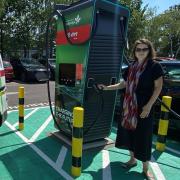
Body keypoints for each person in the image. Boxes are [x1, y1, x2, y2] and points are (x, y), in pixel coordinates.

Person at [98, 39, 163, 179]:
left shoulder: (154, 66)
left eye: (144, 49)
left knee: (144, 137)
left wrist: (149, 105)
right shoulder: (131, 66)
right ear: (134, 52)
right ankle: (132, 160)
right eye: (138, 49)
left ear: (149, 50)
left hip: (144, 107)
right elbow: (124, 84)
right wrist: (107, 88)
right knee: (128, 133)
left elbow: (158, 87)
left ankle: (145, 168)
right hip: (128, 107)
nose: (141, 52)